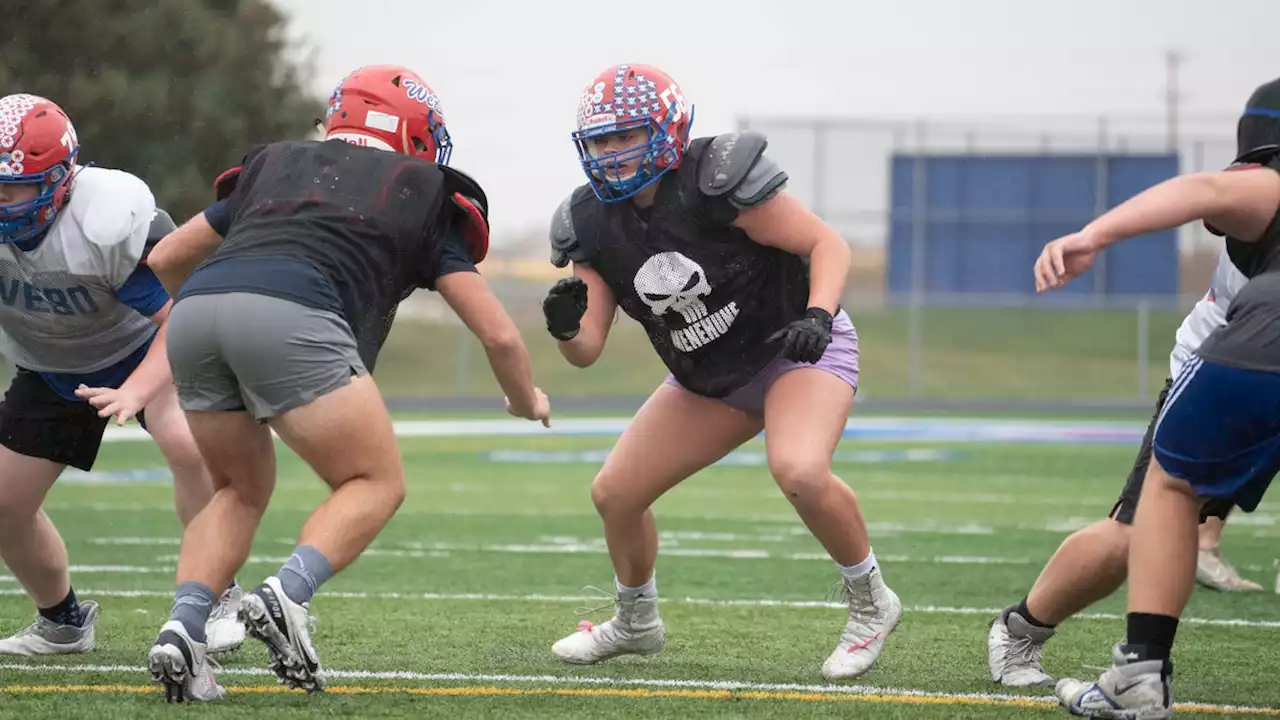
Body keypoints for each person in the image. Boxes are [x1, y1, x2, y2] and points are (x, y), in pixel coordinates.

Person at [142, 65, 551, 702]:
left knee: (236, 491)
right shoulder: (421, 188)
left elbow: (166, 258)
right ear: (416, 136)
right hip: (295, 312)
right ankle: (288, 593)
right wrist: (526, 399)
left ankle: (182, 628)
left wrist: (214, 314)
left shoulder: (278, 164)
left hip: (196, 311)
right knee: (374, 481)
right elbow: (498, 334)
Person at [539, 63, 898, 680]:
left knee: (800, 469)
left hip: (794, 345)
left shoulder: (714, 181)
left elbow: (827, 245)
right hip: (710, 376)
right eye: (600, 141)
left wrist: (819, 312)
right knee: (616, 493)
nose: (611, 154)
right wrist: (565, 327)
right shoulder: (592, 221)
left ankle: (871, 604)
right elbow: (587, 350)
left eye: (625, 136)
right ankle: (636, 622)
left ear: (667, 129)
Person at [1034, 77, 1280, 718]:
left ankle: (1140, 677)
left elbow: (1204, 190)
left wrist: (1092, 236)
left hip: (1262, 350)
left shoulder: (1265, 184)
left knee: (1168, 488)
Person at [0, 93, 244, 659]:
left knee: (187, 443)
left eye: (10, 187)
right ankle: (62, 622)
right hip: (52, 366)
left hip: (144, 349)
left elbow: (181, 317)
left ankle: (219, 591)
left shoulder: (104, 221)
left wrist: (138, 390)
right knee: (5, 503)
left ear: (60, 180)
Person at [987, 249, 1258, 689]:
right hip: (1224, 378)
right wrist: (1096, 236)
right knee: (1138, 532)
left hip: (1258, 372)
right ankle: (1021, 629)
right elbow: (1204, 195)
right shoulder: (1258, 188)